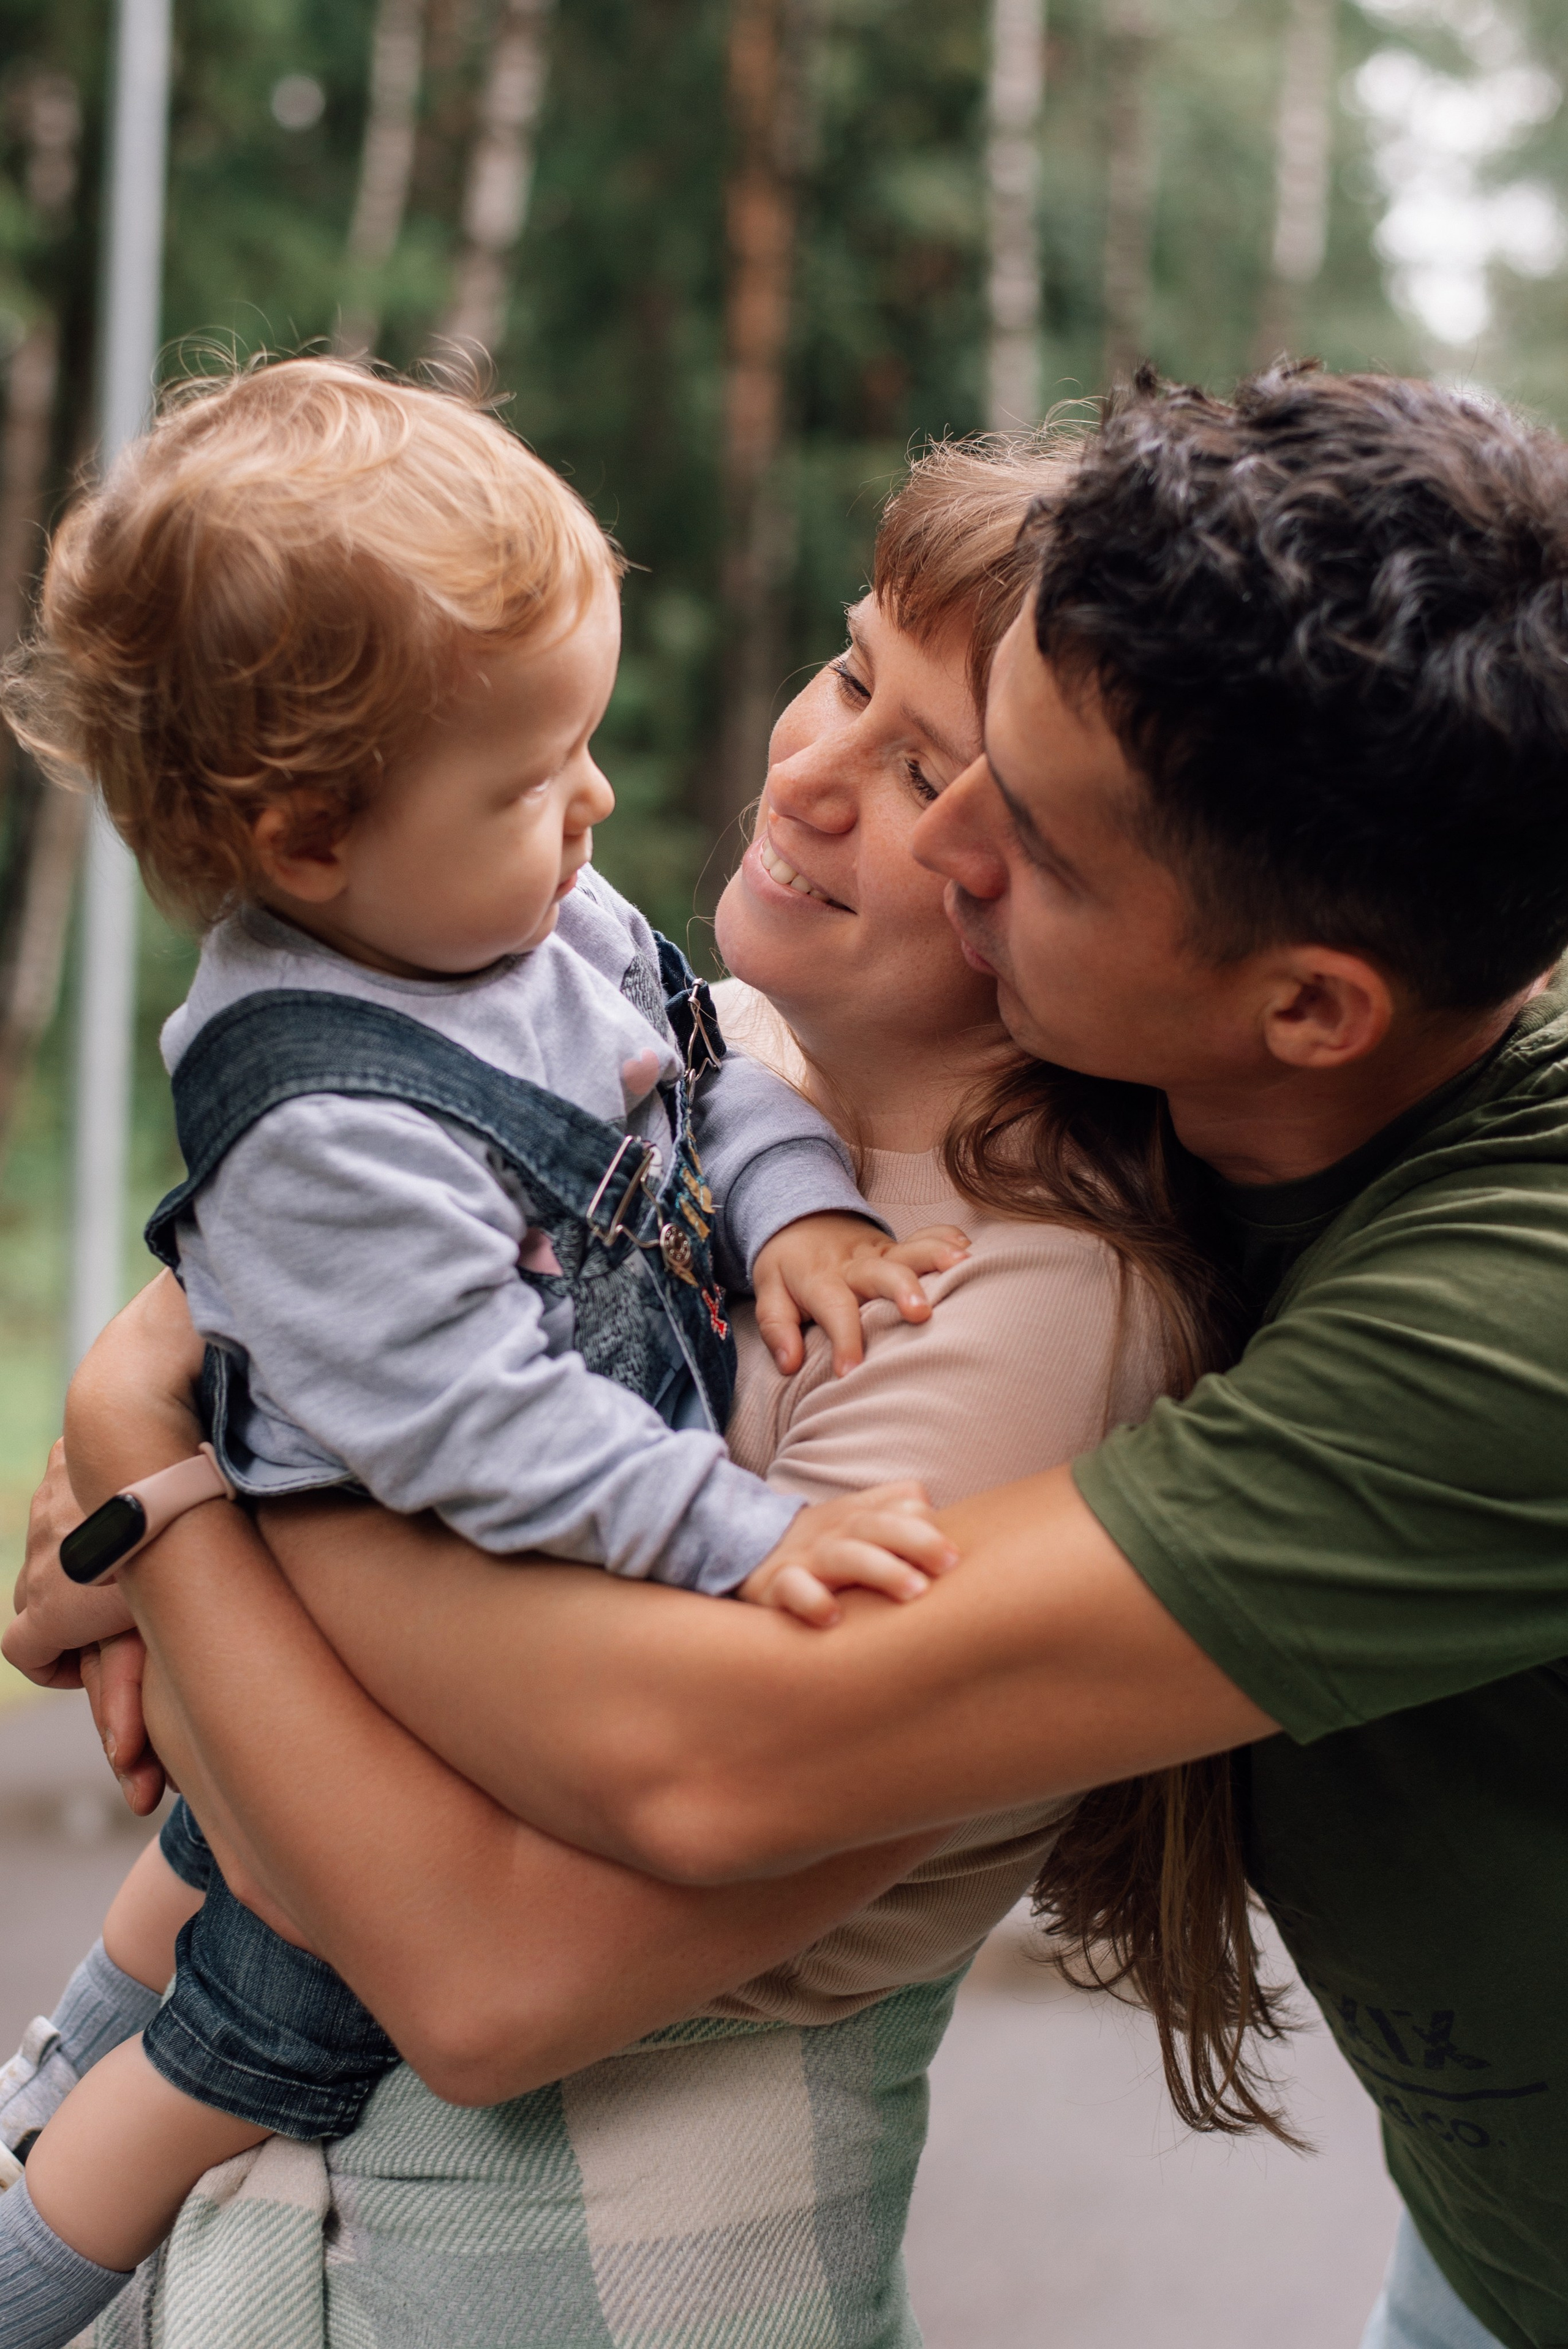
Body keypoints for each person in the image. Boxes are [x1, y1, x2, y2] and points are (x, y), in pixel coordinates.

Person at [3, 429, 1224, 2348]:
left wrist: (167, 1498)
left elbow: (488, 1977)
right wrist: (152, 1448)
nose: (803, 773)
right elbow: (244, 1322)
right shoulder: (718, 1040)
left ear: (1081, 875)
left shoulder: (1028, 1313)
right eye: (842, 674)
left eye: (920, 768)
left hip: (605, 2245)